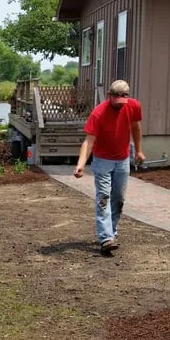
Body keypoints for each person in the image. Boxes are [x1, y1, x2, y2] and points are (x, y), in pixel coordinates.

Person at [73, 79, 144, 253]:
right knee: (104, 196)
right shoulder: (98, 113)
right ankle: (106, 238)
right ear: (109, 96)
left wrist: (139, 151)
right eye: (117, 99)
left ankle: (111, 232)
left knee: (118, 199)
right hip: (102, 160)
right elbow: (89, 141)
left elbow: (135, 127)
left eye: (123, 98)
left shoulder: (133, 106)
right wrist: (81, 164)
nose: (120, 103)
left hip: (122, 159)